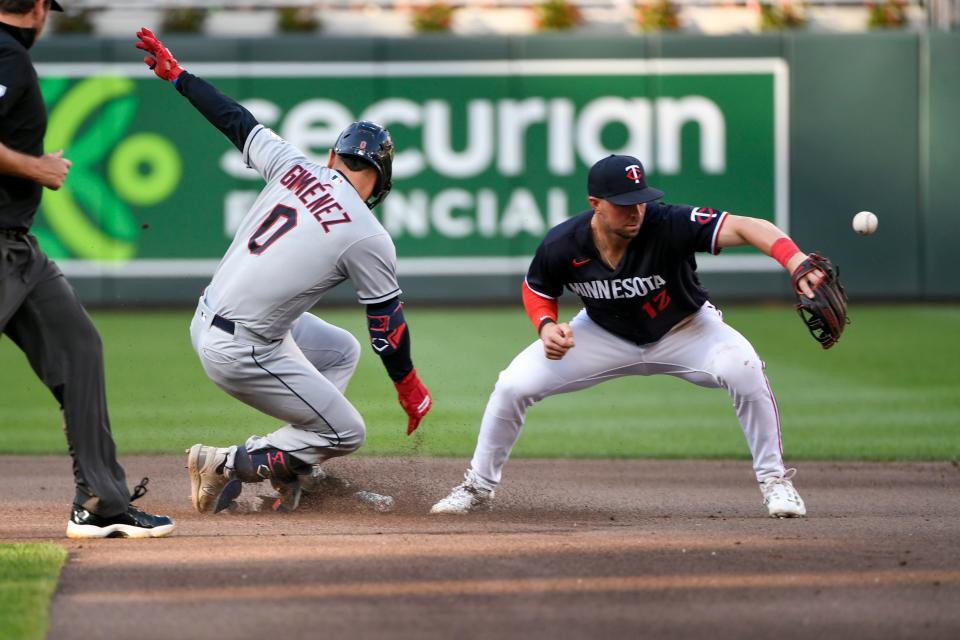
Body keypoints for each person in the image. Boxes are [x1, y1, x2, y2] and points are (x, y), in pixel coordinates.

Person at [134, 28, 433, 514]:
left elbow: (235, 120)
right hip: (242, 346)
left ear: (334, 156)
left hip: (210, 318)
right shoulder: (368, 233)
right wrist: (409, 387)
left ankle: (294, 469)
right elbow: (388, 327)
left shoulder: (295, 165)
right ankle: (226, 461)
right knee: (345, 430)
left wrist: (177, 75)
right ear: (382, 182)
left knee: (340, 351)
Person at [431, 154, 823, 518]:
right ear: (595, 203)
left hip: (687, 329)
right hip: (602, 333)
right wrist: (547, 326)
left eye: (640, 199)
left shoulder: (669, 223)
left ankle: (775, 482)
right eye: (623, 202)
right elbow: (538, 289)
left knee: (744, 368)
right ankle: (477, 488)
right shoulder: (563, 242)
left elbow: (747, 226)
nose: (636, 210)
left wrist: (796, 262)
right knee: (512, 385)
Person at [0, 1, 174, 538]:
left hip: (18, 248)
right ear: (36, 8)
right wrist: (37, 167)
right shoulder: (7, 56)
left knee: (78, 347)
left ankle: (102, 501)